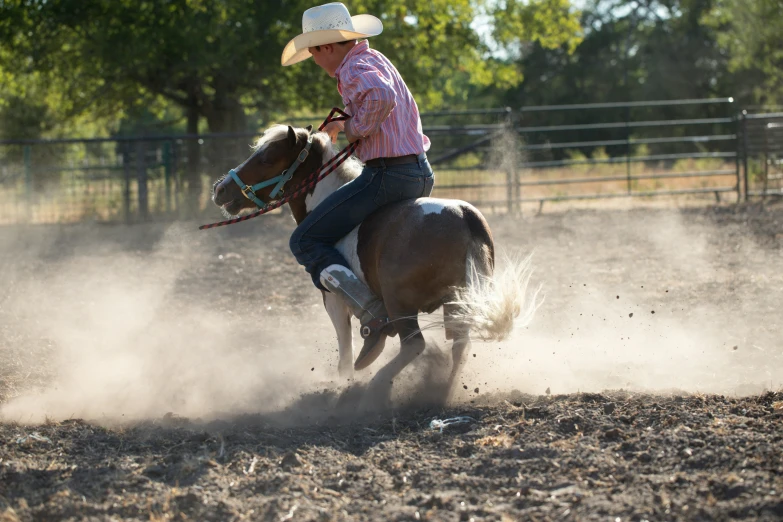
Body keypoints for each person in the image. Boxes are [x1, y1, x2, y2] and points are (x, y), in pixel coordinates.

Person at [282, 2, 434, 361]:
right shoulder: (375, 59)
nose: (316, 63)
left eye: (314, 54)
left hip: (387, 175)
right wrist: (343, 123)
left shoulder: (353, 68)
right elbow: (382, 96)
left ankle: (373, 315)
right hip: (418, 172)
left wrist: (351, 129)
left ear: (326, 47)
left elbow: (381, 97)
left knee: (305, 238)